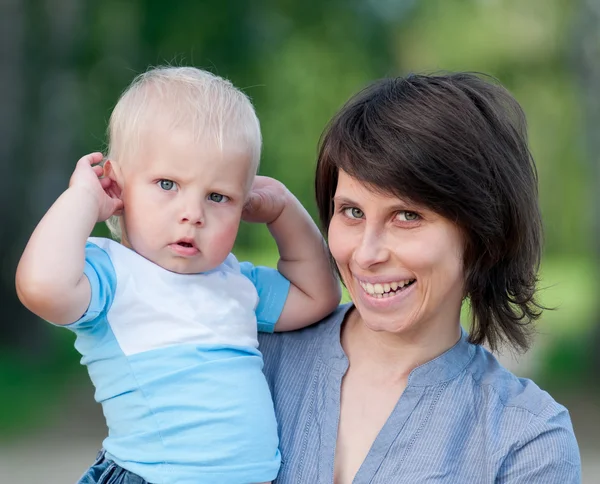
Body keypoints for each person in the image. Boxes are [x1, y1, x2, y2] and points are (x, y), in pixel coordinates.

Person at [15, 66, 341, 484]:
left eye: (218, 196)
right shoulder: (111, 276)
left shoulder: (236, 283)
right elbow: (40, 286)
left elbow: (319, 295)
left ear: (244, 206)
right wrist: (81, 199)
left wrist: (283, 209)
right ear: (116, 186)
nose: (193, 214)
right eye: (168, 184)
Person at [258, 72, 581, 483]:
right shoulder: (248, 352)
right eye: (352, 212)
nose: (366, 253)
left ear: (482, 233)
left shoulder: (527, 441)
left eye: (407, 216)